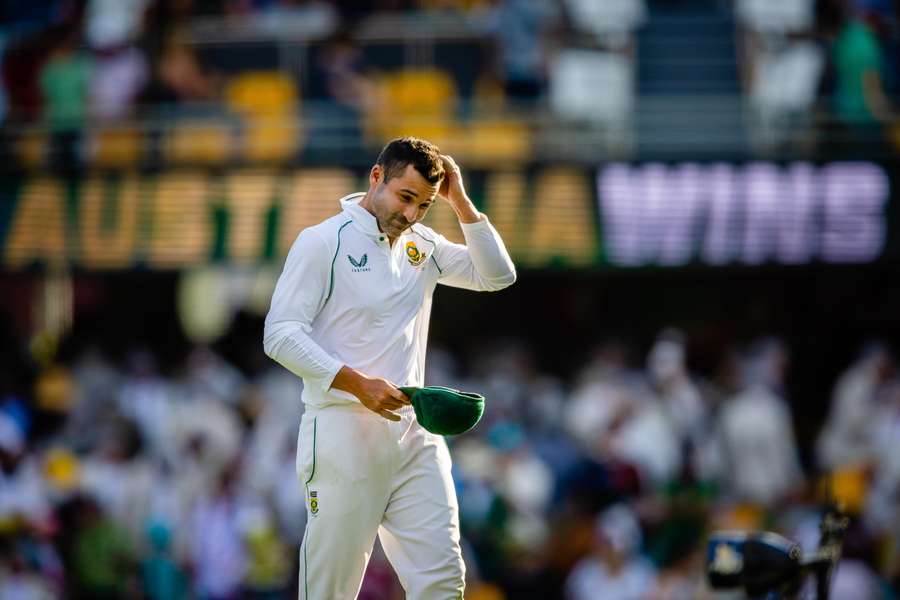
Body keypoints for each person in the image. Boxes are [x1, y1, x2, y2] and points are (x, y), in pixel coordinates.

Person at [263, 136, 516, 599]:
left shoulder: (422, 243)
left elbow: (497, 275)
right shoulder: (323, 242)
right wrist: (357, 385)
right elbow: (279, 334)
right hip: (341, 431)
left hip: (413, 433)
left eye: (424, 205)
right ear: (376, 176)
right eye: (405, 198)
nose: (412, 214)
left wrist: (458, 200)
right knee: (328, 591)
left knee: (443, 582)